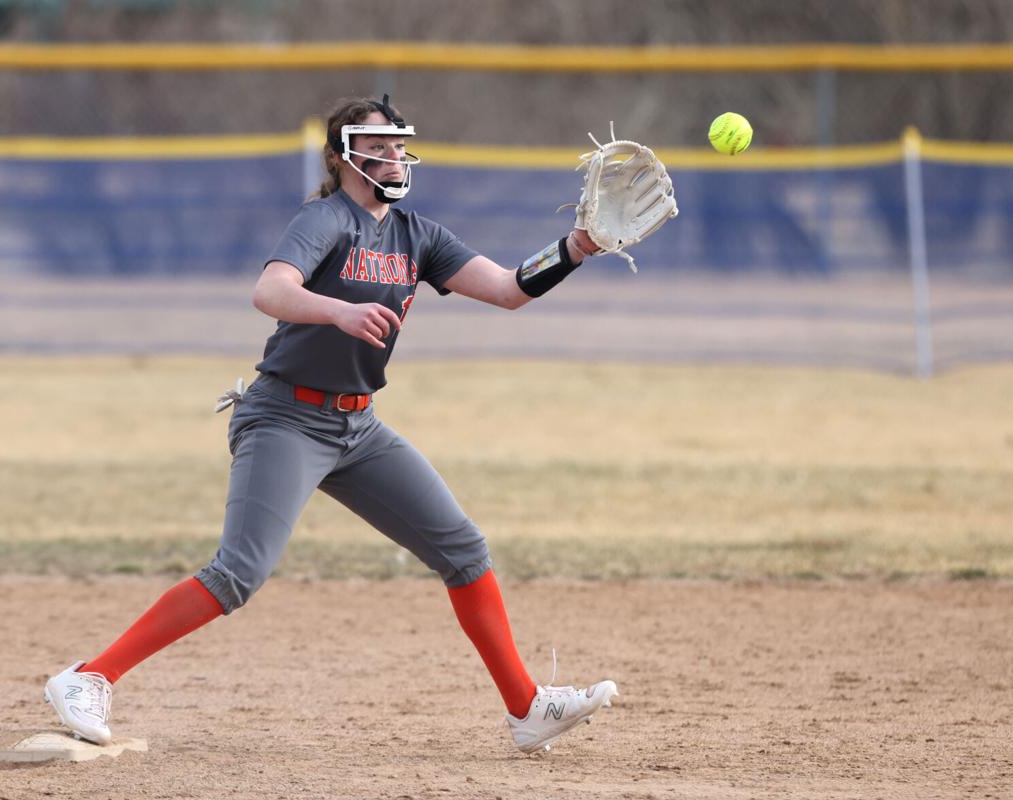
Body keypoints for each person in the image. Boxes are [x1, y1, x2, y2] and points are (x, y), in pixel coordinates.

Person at [44, 94, 616, 755]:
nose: (396, 155)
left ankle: (527, 708)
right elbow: (271, 290)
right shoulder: (326, 219)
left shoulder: (417, 235)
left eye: (400, 144)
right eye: (380, 145)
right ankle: (88, 677)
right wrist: (337, 312)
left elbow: (510, 288)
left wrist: (573, 248)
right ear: (345, 156)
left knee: (462, 549)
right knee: (238, 573)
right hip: (285, 416)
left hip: (358, 427)